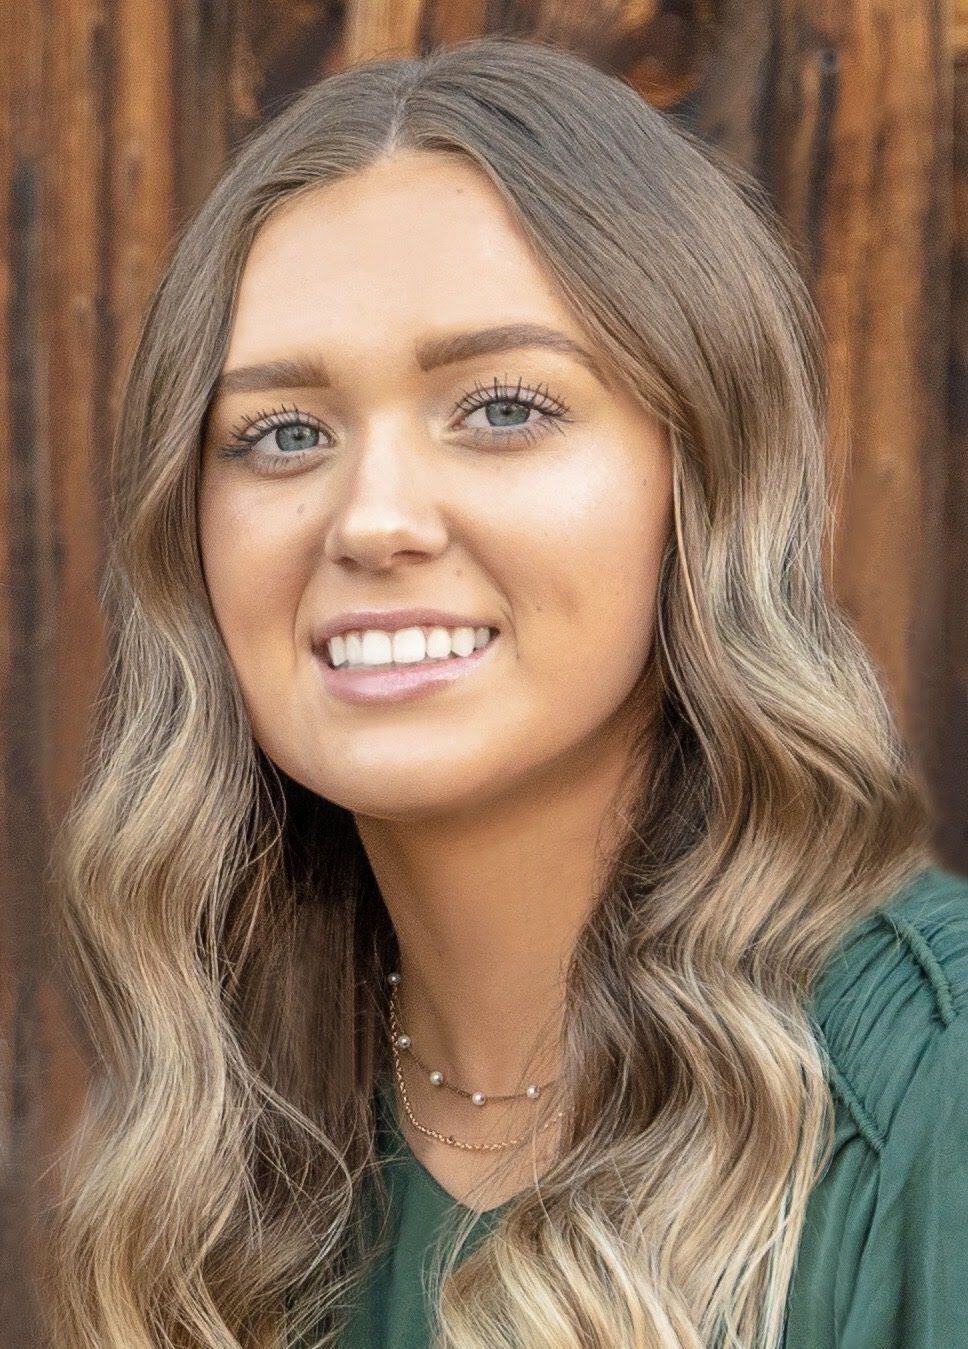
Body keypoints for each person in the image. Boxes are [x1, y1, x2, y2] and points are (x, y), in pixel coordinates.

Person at [43, 32, 967, 1349]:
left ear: (702, 480)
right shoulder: (233, 1146)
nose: (373, 519)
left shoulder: (932, 1091)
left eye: (504, 408)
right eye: (284, 432)